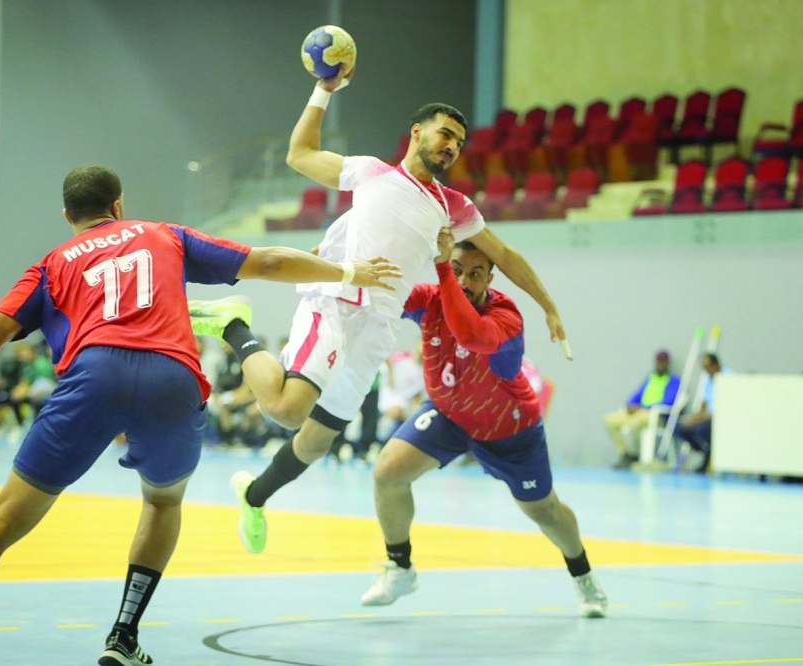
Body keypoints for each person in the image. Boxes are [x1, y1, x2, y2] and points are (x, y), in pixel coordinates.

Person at [0, 164, 401, 666]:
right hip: (172, 378)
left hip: (93, 376)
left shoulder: (51, 265)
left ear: (67, 215)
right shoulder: (165, 235)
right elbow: (268, 262)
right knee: (162, 503)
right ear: (118, 205)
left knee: (4, 517)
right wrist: (350, 272)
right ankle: (124, 634)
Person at [189, 63, 568, 555]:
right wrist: (323, 90)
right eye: (445, 134)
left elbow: (506, 257)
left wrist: (548, 306)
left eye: (459, 141)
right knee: (286, 410)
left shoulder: (453, 205)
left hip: (378, 330)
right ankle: (235, 325)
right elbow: (299, 154)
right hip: (339, 303)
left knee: (315, 442)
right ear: (417, 132)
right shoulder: (370, 171)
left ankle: (254, 496)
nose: (452, 146)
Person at [360, 232, 607, 617]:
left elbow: (470, 333)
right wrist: (335, 265)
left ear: (491, 279)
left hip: (509, 431)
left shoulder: (506, 319)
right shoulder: (430, 299)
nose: (463, 281)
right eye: (456, 269)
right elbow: (380, 294)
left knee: (544, 511)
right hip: (449, 416)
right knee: (387, 472)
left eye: (476, 274)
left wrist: (442, 267)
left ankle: (583, 575)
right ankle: (401, 567)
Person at [603, 351, 680, 469]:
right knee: (609, 420)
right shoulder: (650, 378)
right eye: (658, 361)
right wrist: (630, 405)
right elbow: (635, 396)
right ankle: (626, 453)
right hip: (639, 412)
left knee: (634, 424)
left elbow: (668, 401)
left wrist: (643, 408)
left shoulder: (673, 380)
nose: (660, 364)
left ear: (668, 363)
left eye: (663, 361)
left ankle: (638, 455)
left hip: (655, 415)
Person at [673, 353, 732, 473]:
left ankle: (712, 455)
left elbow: (729, 406)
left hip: (722, 418)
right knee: (680, 429)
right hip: (706, 417)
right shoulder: (708, 380)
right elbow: (703, 406)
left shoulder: (728, 377)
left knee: (701, 430)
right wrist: (693, 418)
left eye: (707, 367)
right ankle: (706, 451)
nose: (705, 370)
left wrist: (704, 417)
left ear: (715, 365)